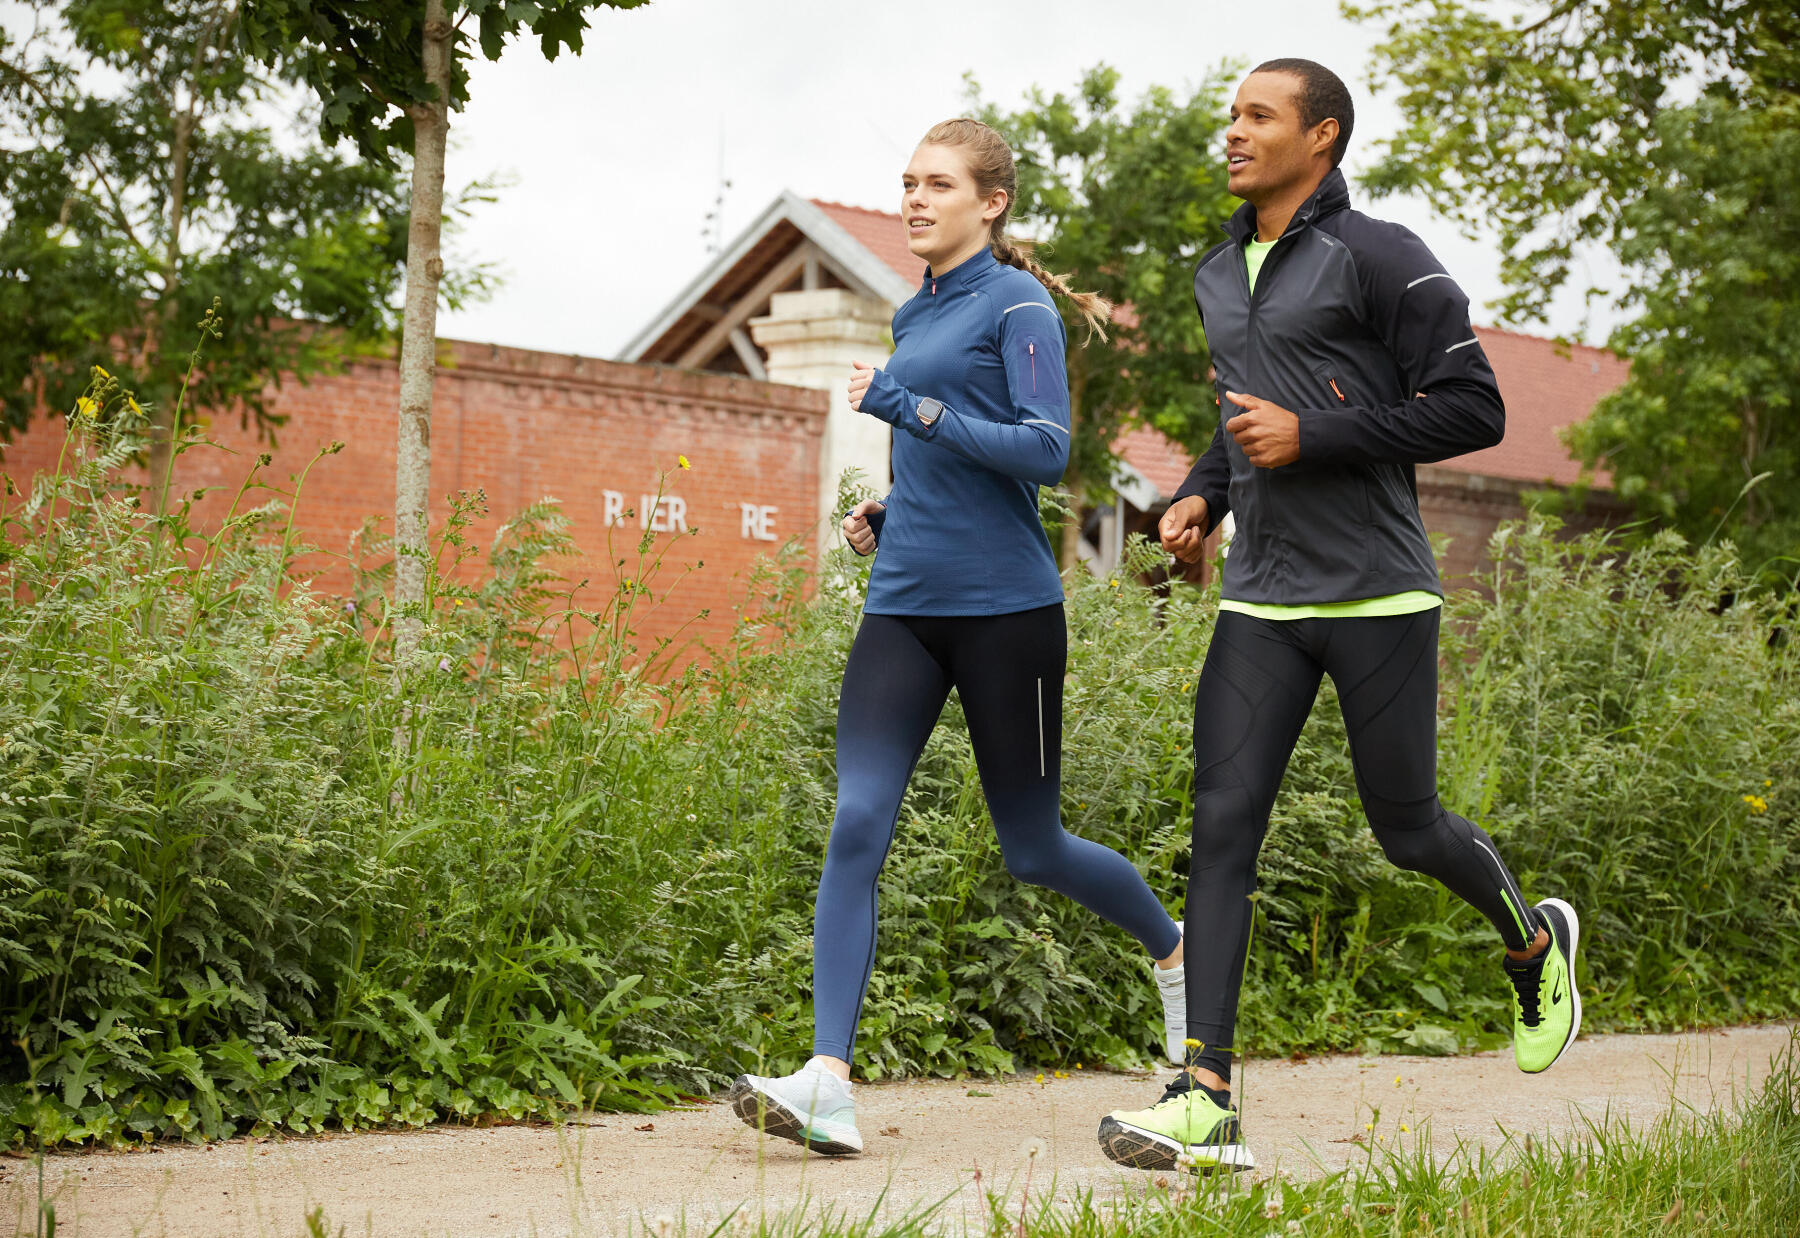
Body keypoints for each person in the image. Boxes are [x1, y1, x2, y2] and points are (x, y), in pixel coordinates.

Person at [1096, 60, 1581, 1176]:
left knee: (1406, 827)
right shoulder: (1221, 269)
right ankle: (1208, 1096)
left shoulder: (1384, 256)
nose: (1233, 132)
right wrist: (1201, 490)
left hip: (1378, 590)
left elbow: (1475, 406)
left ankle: (1532, 939)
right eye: (1230, 114)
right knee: (1221, 826)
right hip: (1261, 597)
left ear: (1320, 138)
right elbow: (1239, 410)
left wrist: (1313, 437)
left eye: (1258, 116)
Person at [728, 118, 1190, 1156]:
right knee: (858, 817)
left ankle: (1174, 947)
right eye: (906, 182)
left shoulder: (1019, 304)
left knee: (1034, 846)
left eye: (938, 184)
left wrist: (912, 407)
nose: (914, 199)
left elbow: (1044, 449)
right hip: (903, 604)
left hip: (1006, 614)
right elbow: (937, 462)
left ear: (992, 203)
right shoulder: (913, 310)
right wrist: (888, 511)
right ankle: (828, 1080)